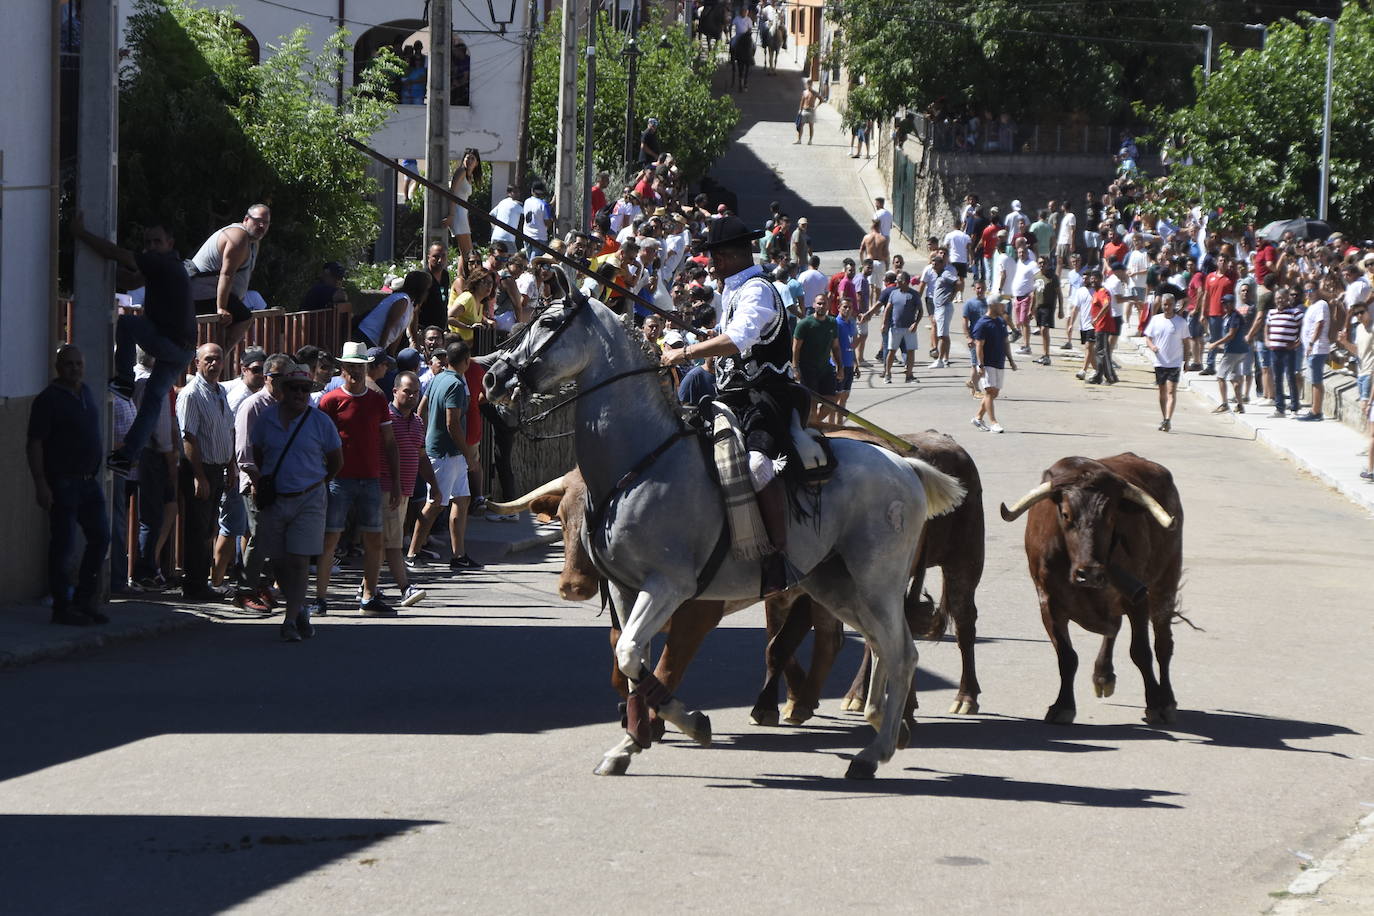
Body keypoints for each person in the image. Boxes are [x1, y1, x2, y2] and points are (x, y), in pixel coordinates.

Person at [660, 215, 801, 596]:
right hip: (732, 397)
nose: (713, 265)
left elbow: (739, 339)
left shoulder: (757, 289)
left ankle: (776, 554)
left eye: (716, 258)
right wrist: (710, 345)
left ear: (732, 255)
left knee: (756, 466)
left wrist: (686, 351)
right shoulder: (734, 291)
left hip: (765, 397)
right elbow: (727, 343)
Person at [70, 213, 196, 475]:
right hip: (182, 351)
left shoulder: (161, 263)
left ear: (169, 243)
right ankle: (126, 457)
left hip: (170, 344)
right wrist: (96, 274)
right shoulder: (168, 265)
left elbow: (118, 254)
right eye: (148, 242)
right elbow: (130, 280)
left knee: (126, 324)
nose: (151, 247)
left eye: (157, 241)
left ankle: (125, 380)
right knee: (152, 400)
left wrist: (81, 234)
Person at [250, 363, 343, 642]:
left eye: (305, 389)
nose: (300, 394)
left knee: (300, 560)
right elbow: (258, 454)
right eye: (294, 388)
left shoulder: (321, 422)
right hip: (276, 498)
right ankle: (300, 607)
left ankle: (289, 620)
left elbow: (337, 461)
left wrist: (317, 482)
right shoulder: (266, 419)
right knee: (278, 559)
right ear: (283, 390)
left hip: (310, 498)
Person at [314, 342, 402, 616]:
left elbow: (389, 442)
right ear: (342, 369)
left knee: (374, 539)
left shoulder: (377, 401)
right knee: (330, 539)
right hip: (338, 480)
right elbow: (318, 443)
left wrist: (396, 481)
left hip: (370, 479)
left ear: (366, 368)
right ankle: (320, 598)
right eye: (350, 366)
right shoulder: (329, 401)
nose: (354, 371)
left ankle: (368, 595)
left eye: (359, 366)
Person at [28, 345, 110, 625]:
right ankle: (62, 608)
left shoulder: (85, 392)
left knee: (100, 538)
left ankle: (84, 601)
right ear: (58, 367)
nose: (75, 369)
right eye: (69, 364)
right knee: (63, 545)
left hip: (89, 483)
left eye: (78, 363)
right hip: (62, 482)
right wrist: (41, 483)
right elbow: (35, 443)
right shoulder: (48, 399)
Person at [410, 340, 484, 572]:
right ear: (465, 361)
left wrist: (421, 435)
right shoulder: (453, 384)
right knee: (435, 503)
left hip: (446, 452)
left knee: (461, 500)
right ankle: (413, 553)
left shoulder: (438, 378)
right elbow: (453, 424)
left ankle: (458, 555)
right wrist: (468, 455)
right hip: (446, 454)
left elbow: (421, 409)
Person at [177, 343, 236, 601]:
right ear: (197, 363)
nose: (214, 364)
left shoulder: (220, 391)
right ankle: (194, 585)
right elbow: (188, 437)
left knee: (209, 528)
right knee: (198, 530)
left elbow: (228, 431)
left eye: (218, 359)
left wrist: (232, 464)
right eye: (208, 360)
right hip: (202, 471)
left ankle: (202, 582)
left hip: (220, 468)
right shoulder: (191, 394)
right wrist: (198, 476)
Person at [379, 371, 433, 607]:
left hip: (405, 491)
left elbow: (421, 456)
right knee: (391, 542)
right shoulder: (386, 419)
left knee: (384, 541)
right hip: (387, 489)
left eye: (415, 392)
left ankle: (366, 588)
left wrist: (436, 486)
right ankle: (404, 588)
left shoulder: (418, 421)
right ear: (395, 391)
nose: (412, 396)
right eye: (407, 391)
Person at [186, 203, 271, 352]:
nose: (261, 226)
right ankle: (219, 358)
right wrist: (222, 308)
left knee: (232, 323)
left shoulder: (253, 241)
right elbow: (226, 274)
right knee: (243, 318)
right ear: (246, 219)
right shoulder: (238, 237)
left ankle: (217, 358)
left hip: (217, 294)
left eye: (265, 223)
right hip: (201, 294)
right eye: (257, 221)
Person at [792, 295, 844, 425]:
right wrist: (795, 368)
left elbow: (836, 347)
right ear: (814, 305)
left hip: (825, 368)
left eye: (824, 304)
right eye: (819, 303)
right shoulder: (805, 324)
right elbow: (795, 348)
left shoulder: (832, 323)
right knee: (812, 402)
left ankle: (813, 424)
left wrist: (840, 367)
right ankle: (812, 428)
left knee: (831, 401)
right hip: (808, 368)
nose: (821, 306)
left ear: (828, 305)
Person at [971, 296, 1016, 433]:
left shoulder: (1001, 322)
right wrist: (980, 365)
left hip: (999, 361)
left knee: (994, 392)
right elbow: (979, 345)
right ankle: (994, 423)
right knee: (990, 391)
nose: (1004, 307)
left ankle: (978, 417)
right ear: (993, 305)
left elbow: (1005, 342)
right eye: (1001, 305)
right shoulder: (982, 323)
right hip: (988, 362)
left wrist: (1011, 360)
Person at [1143, 293, 1188, 431]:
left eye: (1170, 304)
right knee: (1161, 392)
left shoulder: (1181, 322)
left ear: (1175, 305)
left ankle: (1168, 419)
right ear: (1161, 305)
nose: (1167, 307)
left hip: (1174, 362)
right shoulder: (1156, 320)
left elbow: (1186, 342)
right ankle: (1164, 418)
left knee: (1171, 391)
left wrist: (1187, 360)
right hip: (1160, 362)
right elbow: (1148, 338)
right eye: (1165, 305)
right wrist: (1152, 347)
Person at [357, 270, 429, 351]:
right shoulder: (402, 300)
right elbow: (387, 327)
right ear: (420, 290)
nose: (427, 293)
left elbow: (399, 331)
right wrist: (380, 352)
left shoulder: (410, 305)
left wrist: (391, 355)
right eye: (426, 289)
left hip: (374, 343)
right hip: (366, 338)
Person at [1207, 293, 1249, 414]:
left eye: (1227, 303)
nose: (1225, 305)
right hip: (1238, 350)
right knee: (1234, 379)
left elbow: (1231, 335)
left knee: (1220, 377)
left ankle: (1224, 404)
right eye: (1224, 303)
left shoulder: (1235, 317)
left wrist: (1215, 344)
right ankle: (1240, 405)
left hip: (1233, 351)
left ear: (1232, 304)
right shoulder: (1230, 316)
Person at [1266, 286, 1304, 418]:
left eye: (1282, 298)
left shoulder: (1296, 313)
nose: (1279, 301)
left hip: (1289, 351)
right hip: (1275, 350)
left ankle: (1294, 408)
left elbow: (1304, 329)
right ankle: (1280, 408)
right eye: (1277, 298)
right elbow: (1267, 327)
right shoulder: (1271, 313)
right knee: (1277, 379)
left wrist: (1297, 343)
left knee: (1290, 378)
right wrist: (1267, 340)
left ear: (1287, 298)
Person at [919, 249, 960, 368]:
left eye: (936, 265)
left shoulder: (946, 274)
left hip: (943, 307)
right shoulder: (938, 274)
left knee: (942, 335)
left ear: (942, 264)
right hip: (938, 307)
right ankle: (943, 359)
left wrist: (951, 296)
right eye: (933, 265)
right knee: (943, 333)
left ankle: (940, 360)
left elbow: (958, 283)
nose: (934, 267)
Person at [879, 271, 921, 383]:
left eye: (898, 280)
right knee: (891, 351)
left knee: (911, 351)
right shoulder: (893, 293)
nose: (896, 281)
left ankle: (909, 375)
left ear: (905, 281)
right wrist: (884, 323)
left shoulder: (914, 294)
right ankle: (887, 374)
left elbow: (921, 311)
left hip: (909, 329)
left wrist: (916, 323)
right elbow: (887, 309)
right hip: (895, 328)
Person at [1299, 281, 1331, 421]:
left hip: (1317, 348)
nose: (1308, 293)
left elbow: (1320, 324)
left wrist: (1311, 343)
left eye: (1311, 290)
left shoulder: (1321, 304)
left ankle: (1316, 412)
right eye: (1306, 291)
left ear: (1317, 290)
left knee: (1316, 380)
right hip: (1311, 349)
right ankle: (1314, 409)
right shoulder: (1311, 306)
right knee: (1313, 380)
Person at [444, 148, 482, 264]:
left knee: (467, 252)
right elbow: (452, 193)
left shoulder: (469, 177)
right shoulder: (461, 172)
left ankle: (463, 277)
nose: (469, 161)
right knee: (467, 252)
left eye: (472, 158)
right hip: (457, 212)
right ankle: (463, 278)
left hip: (463, 214)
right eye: (467, 158)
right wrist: (451, 215)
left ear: (477, 163)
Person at [1030, 255, 1061, 365]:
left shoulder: (1053, 277)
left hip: (1048, 306)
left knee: (1044, 330)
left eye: (1044, 263)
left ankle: (1047, 355)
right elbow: (1034, 294)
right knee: (1041, 331)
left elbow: (1059, 293)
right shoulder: (1036, 276)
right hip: (1038, 307)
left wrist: (1060, 309)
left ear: (1048, 264)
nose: (1042, 265)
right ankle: (1044, 354)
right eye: (1040, 263)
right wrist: (1031, 309)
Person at [961, 281, 990, 395]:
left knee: (985, 364)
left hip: (987, 338)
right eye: (978, 288)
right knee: (975, 364)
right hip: (975, 338)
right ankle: (976, 389)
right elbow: (964, 321)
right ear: (974, 289)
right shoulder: (970, 304)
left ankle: (972, 382)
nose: (980, 290)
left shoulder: (988, 303)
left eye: (982, 288)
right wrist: (968, 337)